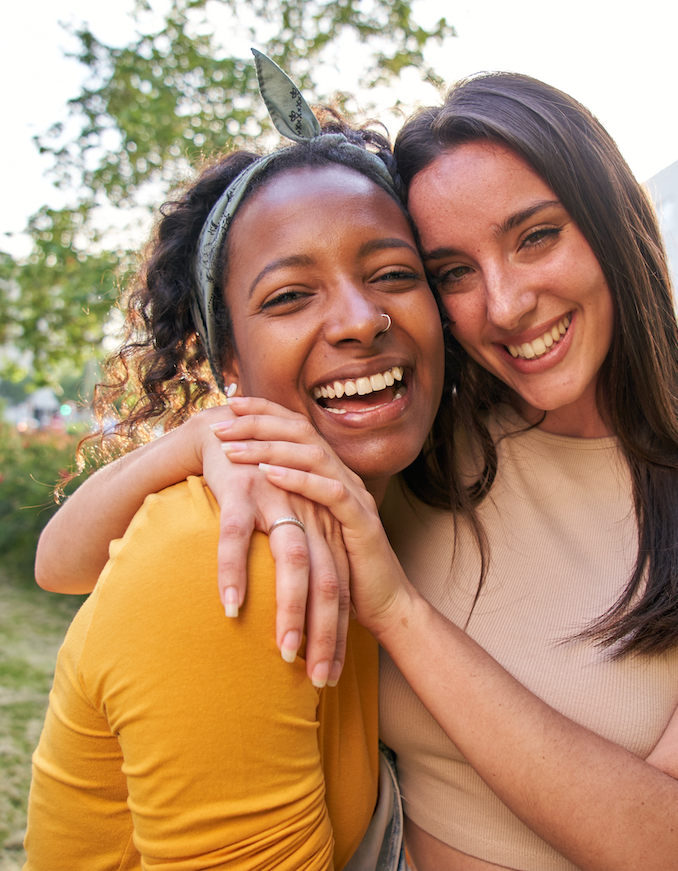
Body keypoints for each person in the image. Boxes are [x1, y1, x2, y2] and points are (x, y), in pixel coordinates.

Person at [34, 69, 678, 871]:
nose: (507, 302)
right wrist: (207, 435)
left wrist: (399, 610)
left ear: (616, 225)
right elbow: (66, 565)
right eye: (453, 270)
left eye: (536, 236)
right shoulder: (419, 449)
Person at [24, 51, 444, 870]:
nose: (361, 321)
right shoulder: (231, 551)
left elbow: (60, 564)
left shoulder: (378, 508)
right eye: (290, 295)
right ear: (232, 368)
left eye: (395, 273)